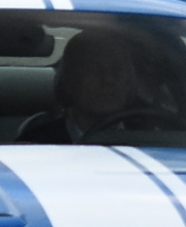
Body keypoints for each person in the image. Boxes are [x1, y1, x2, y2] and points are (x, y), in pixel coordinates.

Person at [16, 29, 148, 142]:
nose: (108, 79)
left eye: (117, 70)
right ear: (69, 81)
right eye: (93, 70)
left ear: (130, 81)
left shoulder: (151, 137)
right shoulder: (37, 144)